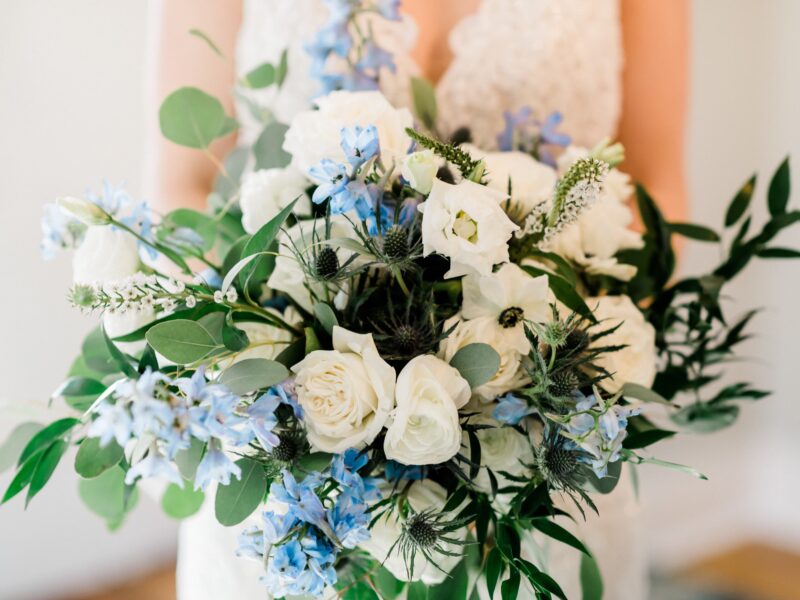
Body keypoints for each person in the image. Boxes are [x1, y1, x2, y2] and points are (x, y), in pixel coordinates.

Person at [144, 1, 688, 598]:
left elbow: (657, 187)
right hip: (294, 462)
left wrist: (526, 363)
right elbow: (184, 186)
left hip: (538, 444)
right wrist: (283, 340)